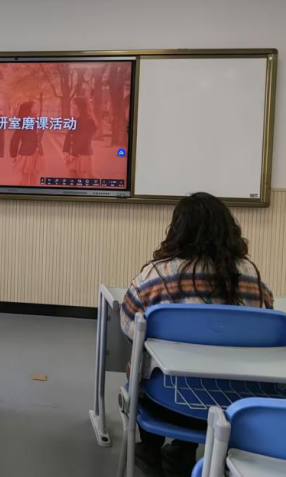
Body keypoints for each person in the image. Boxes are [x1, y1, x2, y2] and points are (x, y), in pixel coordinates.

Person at [120, 192, 273, 476]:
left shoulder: (156, 276)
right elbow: (268, 322)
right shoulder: (250, 275)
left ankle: (150, 450)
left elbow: (129, 327)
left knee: (140, 365)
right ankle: (183, 451)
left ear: (177, 231)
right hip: (238, 404)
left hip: (167, 403)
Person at [9, 101, 45, 186]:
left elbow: (39, 137)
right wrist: (14, 155)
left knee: (35, 175)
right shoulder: (22, 122)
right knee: (25, 177)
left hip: (38, 152)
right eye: (33, 107)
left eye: (36, 106)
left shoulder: (40, 121)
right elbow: (15, 139)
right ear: (27, 109)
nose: (36, 108)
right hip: (27, 152)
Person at [62, 97, 97, 180]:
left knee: (81, 180)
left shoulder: (88, 120)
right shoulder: (74, 119)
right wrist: (65, 151)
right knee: (72, 179)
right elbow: (69, 135)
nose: (72, 106)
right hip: (73, 153)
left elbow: (84, 140)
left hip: (83, 154)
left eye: (74, 104)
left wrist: (73, 154)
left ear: (81, 106)